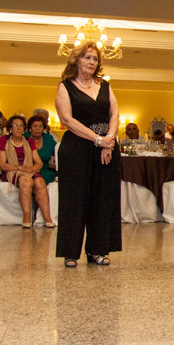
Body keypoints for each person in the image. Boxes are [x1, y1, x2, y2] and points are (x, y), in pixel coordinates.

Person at [55, 43, 121, 267]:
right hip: (77, 148)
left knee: (102, 199)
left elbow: (115, 114)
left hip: (106, 148)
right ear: (76, 61)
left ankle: (97, 250)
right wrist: (97, 139)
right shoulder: (65, 87)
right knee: (74, 200)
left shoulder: (105, 86)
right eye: (87, 57)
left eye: (95, 58)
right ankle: (70, 252)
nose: (92, 62)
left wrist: (108, 141)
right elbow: (67, 120)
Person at [0, 115, 56, 228]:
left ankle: (47, 218)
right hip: (12, 171)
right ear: (10, 128)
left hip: (29, 170)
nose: (18, 128)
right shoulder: (4, 140)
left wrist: (32, 169)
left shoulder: (29, 141)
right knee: (26, 181)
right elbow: (3, 165)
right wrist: (20, 168)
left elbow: (38, 163)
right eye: (15, 125)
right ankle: (27, 217)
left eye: (21, 126)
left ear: (24, 129)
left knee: (40, 182)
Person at [27, 114, 57, 184]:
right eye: (35, 126)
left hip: (45, 170)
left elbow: (58, 153)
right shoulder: (24, 138)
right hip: (27, 170)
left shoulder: (48, 138)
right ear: (30, 128)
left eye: (40, 126)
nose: (38, 128)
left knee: (52, 176)